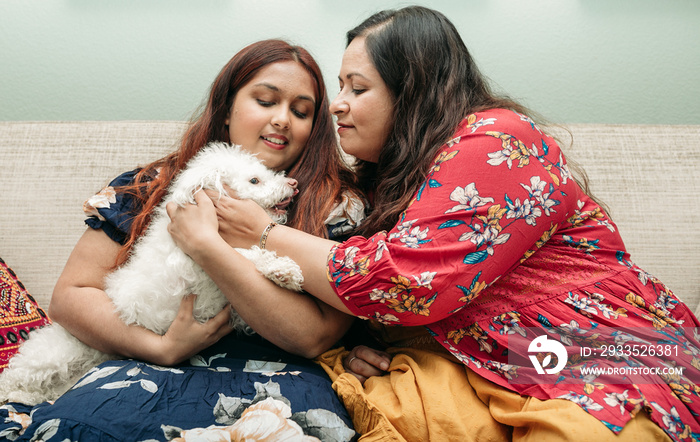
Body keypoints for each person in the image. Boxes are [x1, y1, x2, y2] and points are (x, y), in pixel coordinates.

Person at [168, 7, 700, 442]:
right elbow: (369, 302)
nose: (340, 107)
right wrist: (370, 342)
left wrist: (262, 232)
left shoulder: (496, 138)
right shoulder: (380, 182)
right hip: (488, 357)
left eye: (357, 88)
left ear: (414, 88)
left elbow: (404, 281)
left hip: (592, 343)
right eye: (340, 89)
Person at [0, 39, 374, 441]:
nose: (283, 119)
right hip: (142, 360)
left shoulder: (337, 208)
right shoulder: (147, 187)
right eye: (266, 101)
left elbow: (311, 336)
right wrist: (160, 348)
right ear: (227, 109)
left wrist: (206, 246)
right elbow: (71, 295)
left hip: (277, 373)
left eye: (301, 111)